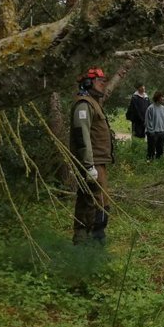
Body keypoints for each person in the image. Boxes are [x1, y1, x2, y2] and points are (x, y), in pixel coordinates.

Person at [69, 67, 114, 245]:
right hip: (91, 162)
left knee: (97, 199)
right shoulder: (84, 105)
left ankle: (93, 238)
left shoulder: (93, 103)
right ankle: (88, 241)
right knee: (93, 201)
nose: (103, 85)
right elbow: (82, 136)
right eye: (100, 81)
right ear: (88, 83)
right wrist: (88, 165)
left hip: (98, 162)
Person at [144, 91, 164, 160]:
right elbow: (148, 121)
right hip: (153, 133)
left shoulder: (163, 108)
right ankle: (150, 164)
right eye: (162, 97)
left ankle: (158, 164)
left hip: (161, 132)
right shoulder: (150, 108)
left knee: (160, 150)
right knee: (151, 151)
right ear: (157, 97)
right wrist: (151, 131)